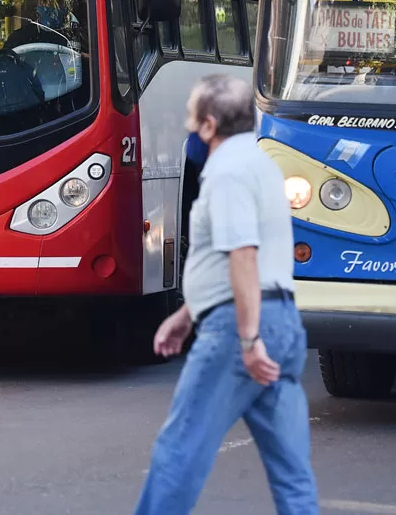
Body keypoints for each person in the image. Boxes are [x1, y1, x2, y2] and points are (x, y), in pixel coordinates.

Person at [134, 74, 315, 515]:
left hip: (239, 331)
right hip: (283, 322)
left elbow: (243, 256)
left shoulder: (228, 174)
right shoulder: (260, 165)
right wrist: (187, 315)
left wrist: (249, 340)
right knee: (292, 472)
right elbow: (231, 261)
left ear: (211, 125)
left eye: (192, 122)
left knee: (181, 448)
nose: (189, 131)